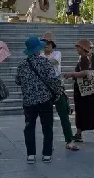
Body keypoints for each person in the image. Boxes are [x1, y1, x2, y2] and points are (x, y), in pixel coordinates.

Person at [15, 36, 62, 164]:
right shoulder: (45, 62)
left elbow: (17, 81)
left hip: (29, 102)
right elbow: (53, 80)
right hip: (45, 100)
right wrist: (58, 92)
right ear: (38, 50)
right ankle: (47, 154)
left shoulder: (21, 65)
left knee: (29, 127)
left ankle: (31, 155)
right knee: (47, 127)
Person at [39, 32, 78, 151]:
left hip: (58, 88)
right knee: (47, 118)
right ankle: (48, 143)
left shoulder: (57, 54)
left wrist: (41, 62)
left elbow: (54, 62)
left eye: (48, 43)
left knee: (64, 116)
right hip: (45, 89)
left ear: (52, 44)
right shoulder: (40, 55)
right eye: (44, 43)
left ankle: (69, 140)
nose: (46, 45)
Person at [63, 39, 94, 145]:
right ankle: (78, 133)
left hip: (85, 92)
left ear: (83, 48)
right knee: (81, 112)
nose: (77, 49)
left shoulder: (84, 59)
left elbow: (85, 73)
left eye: (78, 47)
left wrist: (71, 74)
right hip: (84, 91)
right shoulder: (89, 58)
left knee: (89, 113)